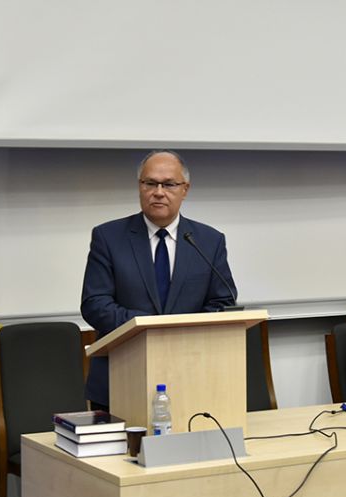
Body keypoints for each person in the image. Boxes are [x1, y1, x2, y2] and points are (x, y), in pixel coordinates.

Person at [81, 150, 237, 409]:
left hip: (191, 373)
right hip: (121, 373)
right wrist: (147, 326)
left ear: (185, 189)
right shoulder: (108, 237)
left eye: (169, 184)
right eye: (150, 183)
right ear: (139, 187)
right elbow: (95, 304)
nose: (158, 192)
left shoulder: (209, 241)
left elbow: (223, 302)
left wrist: (179, 331)